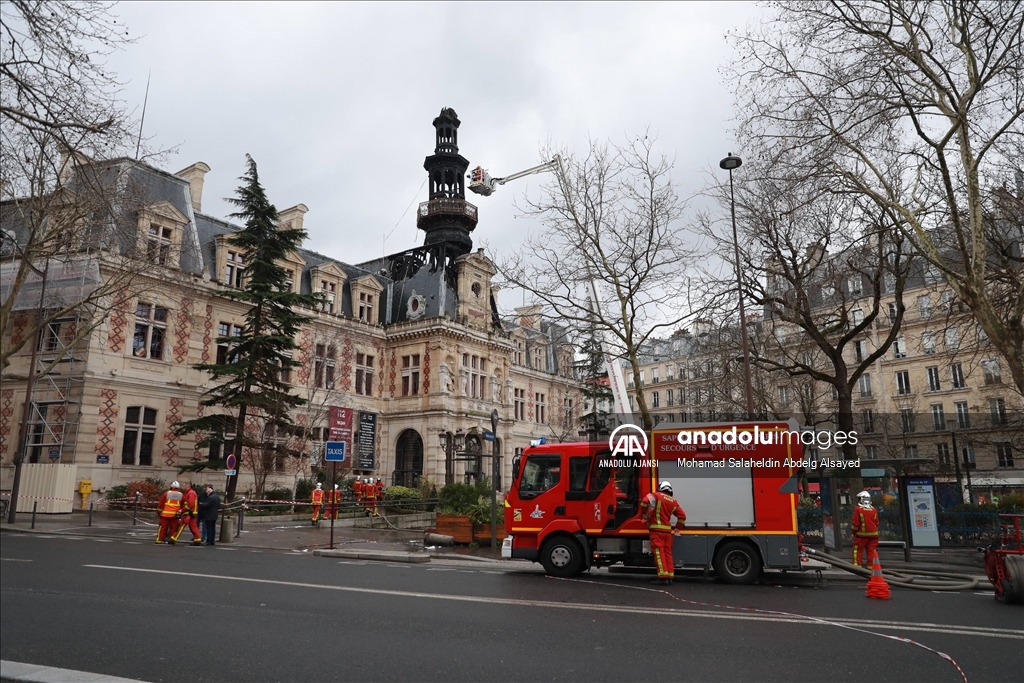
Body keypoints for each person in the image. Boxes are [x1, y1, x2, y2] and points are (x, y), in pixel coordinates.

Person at [640, 481, 686, 585]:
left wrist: (644, 513)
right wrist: (677, 528)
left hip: (657, 532)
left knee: (659, 554)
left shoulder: (655, 495)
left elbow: (644, 501)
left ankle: (663, 577)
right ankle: (670, 576)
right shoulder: (673, 501)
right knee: (667, 554)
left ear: (660, 488)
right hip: (667, 533)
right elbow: (682, 516)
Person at [851, 490, 880, 568]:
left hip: (861, 535)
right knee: (872, 551)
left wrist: (853, 533)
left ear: (861, 499)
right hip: (874, 535)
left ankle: (857, 566)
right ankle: (871, 567)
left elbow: (856, 524)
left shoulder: (858, 509)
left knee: (857, 550)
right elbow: (877, 523)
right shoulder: (874, 509)